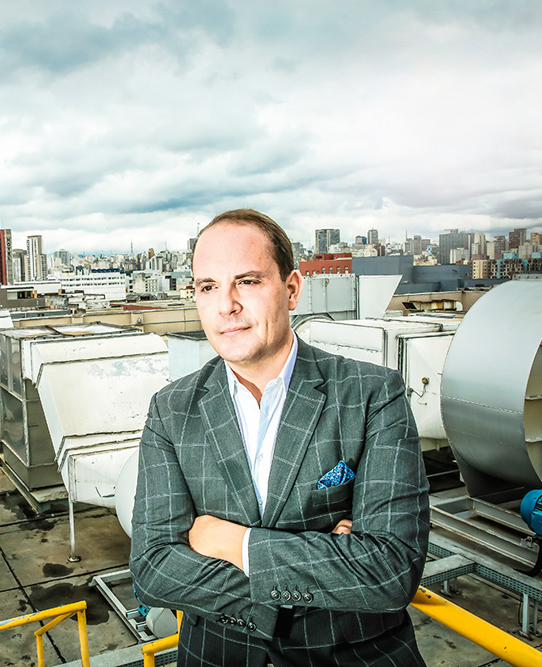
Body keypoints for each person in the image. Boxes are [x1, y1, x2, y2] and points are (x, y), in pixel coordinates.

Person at [129, 209, 428, 666]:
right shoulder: (172, 410)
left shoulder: (371, 395)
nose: (225, 305)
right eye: (208, 286)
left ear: (291, 290)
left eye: (247, 281)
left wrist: (232, 544)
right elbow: (152, 569)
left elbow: (389, 570)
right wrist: (330, 558)